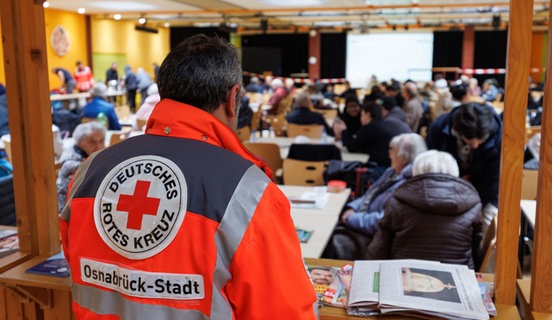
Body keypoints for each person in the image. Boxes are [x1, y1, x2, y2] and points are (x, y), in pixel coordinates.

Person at [60, 34, 318, 319]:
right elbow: (287, 312)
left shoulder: (89, 171)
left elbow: (76, 263)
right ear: (233, 99)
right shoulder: (249, 192)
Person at [366, 150, 483, 269]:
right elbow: (475, 251)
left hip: (404, 278)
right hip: (457, 279)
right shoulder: (472, 204)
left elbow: (380, 249)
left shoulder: (398, 202)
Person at [426, 102, 501, 233]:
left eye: (481, 140)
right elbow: (431, 166)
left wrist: (469, 196)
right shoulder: (440, 128)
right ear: (458, 131)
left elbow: (492, 181)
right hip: (446, 185)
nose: (476, 146)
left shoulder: (500, 137)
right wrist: (458, 184)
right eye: (471, 141)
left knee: (488, 224)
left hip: (485, 188)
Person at [340, 133, 427, 236]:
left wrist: (352, 219)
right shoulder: (392, 171)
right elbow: (369, 194)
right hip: (360, 220)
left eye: (392, 149)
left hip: (371, 236)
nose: (389, 154)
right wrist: (353, 207)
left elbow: (383, 221)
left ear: (403, 157)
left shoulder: (409, 184)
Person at [335, 98, 412, 172]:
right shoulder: (382, 124)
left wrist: (343, 131)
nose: (361, 119)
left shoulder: (369, 127)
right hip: (392, 164)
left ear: (367, 114)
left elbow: (351, 147)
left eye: (362, 115)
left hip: (381, 167)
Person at [56, 122, 106, 214]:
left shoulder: (92, 154)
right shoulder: (72, 162)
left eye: (101, 141)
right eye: (92, 142)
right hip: (68, 215)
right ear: (80, 142)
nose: (99, 146)